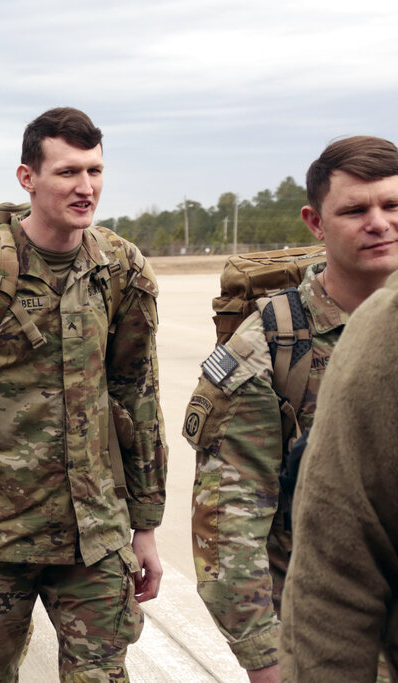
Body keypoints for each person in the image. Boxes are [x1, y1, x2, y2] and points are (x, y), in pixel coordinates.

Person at [0, 107, 166, 681]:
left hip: (93, 539)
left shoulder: (121, 268)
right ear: (28, 178)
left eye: (94, 170)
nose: (85, 187)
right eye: (68, 172)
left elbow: (137, 398)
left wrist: (145, 525)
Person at [184, 135, 398, 683]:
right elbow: (227, 525)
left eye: (393, 205)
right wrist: (267, 660)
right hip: (331, 628)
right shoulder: (270, 348)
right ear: (315, 223)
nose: (379, 223)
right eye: (355, 210)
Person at [279, 270, 398, 682]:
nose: (379, 234)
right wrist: (258, 650)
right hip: (307, 589)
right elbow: (232, 503)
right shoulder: (278, 336)